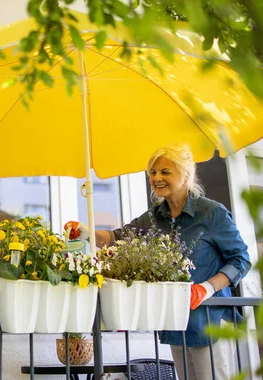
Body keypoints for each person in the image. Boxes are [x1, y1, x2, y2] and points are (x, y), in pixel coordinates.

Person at [65, 144, 251, 380]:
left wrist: (206, 288)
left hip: (210, 319)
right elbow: (119, 237)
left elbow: (241, 260)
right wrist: (86, 231)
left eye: (165, 172)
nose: (156, 178)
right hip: (177, 322)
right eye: (153, 172)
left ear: (185, 175)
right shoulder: (155, 216)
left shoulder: (212, 213)